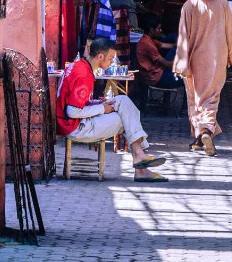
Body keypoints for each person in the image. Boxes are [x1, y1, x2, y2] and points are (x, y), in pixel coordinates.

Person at [57, 37, 167, 182]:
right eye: (110, 58)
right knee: (126, 119)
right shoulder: (83, 73)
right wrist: (102, 108)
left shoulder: (80, 66)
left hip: (77, 121)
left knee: (123, 101)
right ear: (100, 56)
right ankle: (140, 161)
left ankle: (139, 157)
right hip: (76, 127)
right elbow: (72, 111)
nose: (111, 62)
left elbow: (77, 102)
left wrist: (97, 102)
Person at [173, 0, 232, 156]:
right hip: (216, 60)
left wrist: (181, 63)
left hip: (194, 61)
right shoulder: (223, 5)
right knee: (211, 99)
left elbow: (183, 38)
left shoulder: (189, 6)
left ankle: (198, 137)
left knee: (194, 98)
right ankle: (206, 131)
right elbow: (231, 35)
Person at [137, 14, 179, 89]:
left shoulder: (148, 39)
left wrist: (180, 46)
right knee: (188, 78)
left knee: (174, 42)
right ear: (151, 30)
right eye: (158, 28)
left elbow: (165, 45)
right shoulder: (147, 44)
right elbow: (166, 64)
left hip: (157, 72)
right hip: (155, 78)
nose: (160, 30)